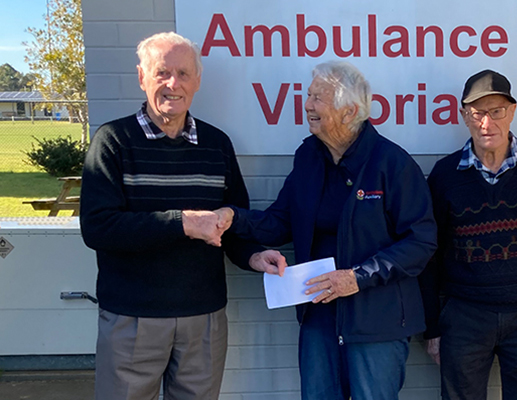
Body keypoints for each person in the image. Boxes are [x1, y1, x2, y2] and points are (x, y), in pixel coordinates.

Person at [213, 61, 437, 400]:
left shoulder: (392, 164)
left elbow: (420, 242)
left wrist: (356, 277)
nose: (308, 105)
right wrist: (234, 218)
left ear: (349, 111)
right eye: (309, 95)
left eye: (318, 98)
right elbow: (280, 221)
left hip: (377, 320)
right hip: (318, 314)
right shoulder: (308, 157)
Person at [80, 32, 272, 400]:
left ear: (197, 81)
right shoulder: (113, 141)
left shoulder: (217, 145)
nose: (173, 84)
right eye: (162, 73)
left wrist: (254, 256)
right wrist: (182, 223)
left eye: (184, 74)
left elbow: (234, 222)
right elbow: (98, 227)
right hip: (133, 318)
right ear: (141, 77)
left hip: (204, 317)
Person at [419, 69, 517, 400]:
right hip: (464, 318)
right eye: (478, 113)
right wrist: (432, 329)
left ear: (512, 112)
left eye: (497, 112)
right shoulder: (445, 177)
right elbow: (428, 257)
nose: (486, 123)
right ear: (464, 116)